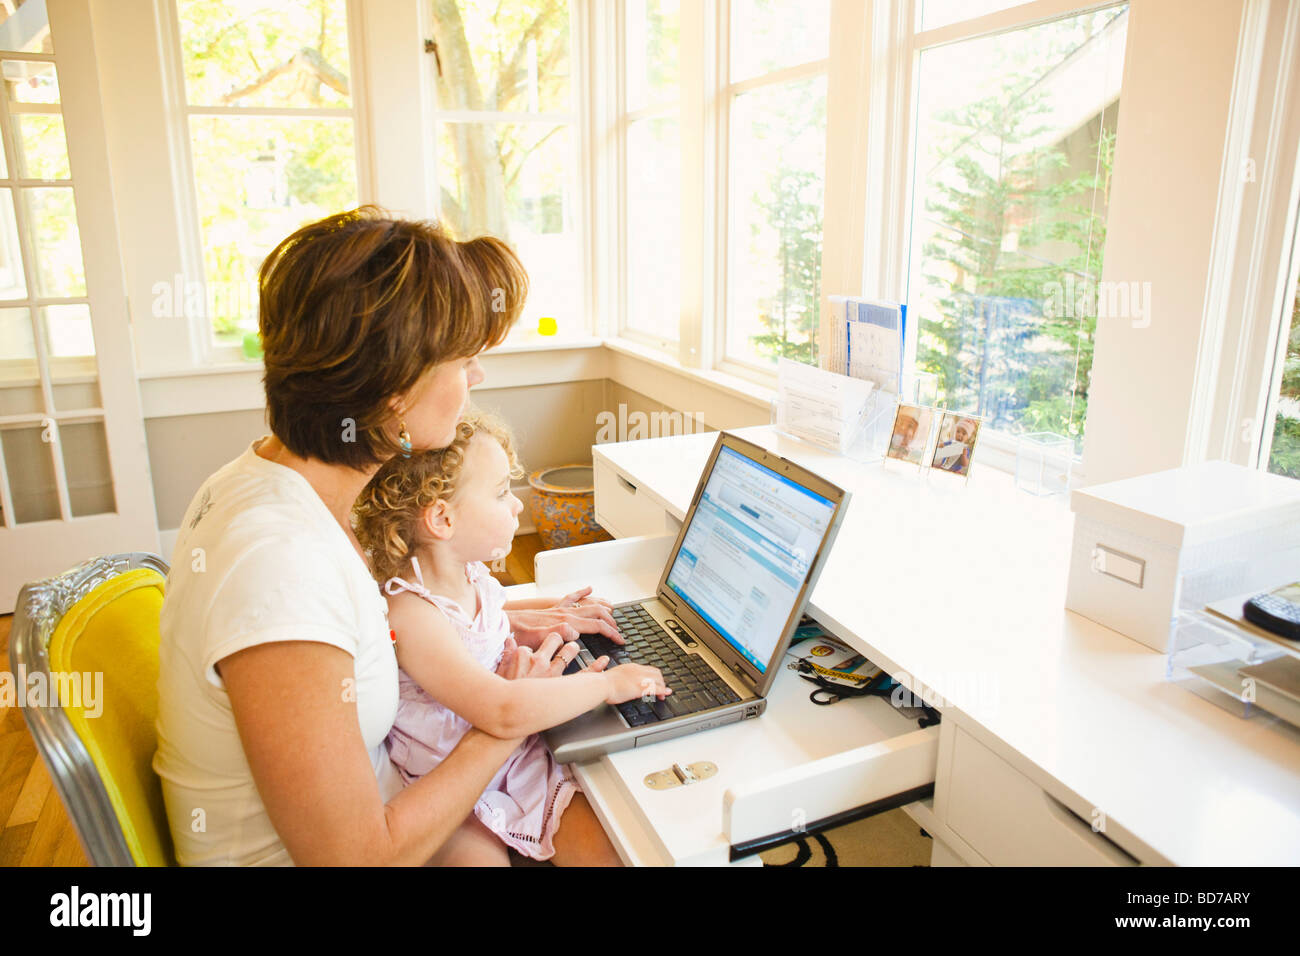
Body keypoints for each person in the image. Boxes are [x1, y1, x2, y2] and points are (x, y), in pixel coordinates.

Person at [153, 207, 626, 866]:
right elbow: (358, 859)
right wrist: (508, 713)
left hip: (407, 806)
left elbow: (365, 630)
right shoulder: (278, 568)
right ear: (395, 389)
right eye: (464, 358)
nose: (477, 376)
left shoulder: (268, 479)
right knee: (628, 820)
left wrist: (499, 617)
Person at [352, 411, 668, 865]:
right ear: (442, 519)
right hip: (447, 781)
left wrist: (555, 610)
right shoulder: (412, 614)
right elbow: (501, 711)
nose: (517, 504)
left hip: (521, 760)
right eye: (502, 493)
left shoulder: (468, 572)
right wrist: (607, 684)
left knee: (611, 850)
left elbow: (488, 617)